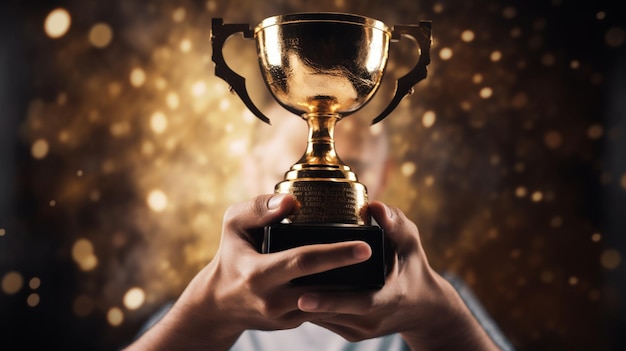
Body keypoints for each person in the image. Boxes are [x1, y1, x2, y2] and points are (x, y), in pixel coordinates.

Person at [123, 108, 514, 351]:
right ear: (251, 170)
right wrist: (205, 319)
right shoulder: (189, 310)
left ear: (382, 176)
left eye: (350, 168)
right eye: (294, 173)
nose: (320, 194)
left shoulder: (443, 299)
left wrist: (440, 324)